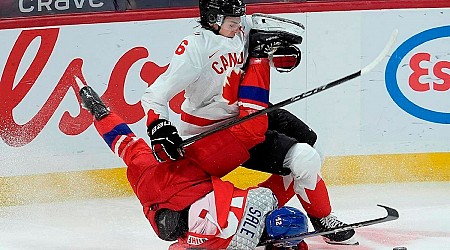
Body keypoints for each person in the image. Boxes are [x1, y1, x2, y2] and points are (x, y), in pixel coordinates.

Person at [141, 0, 357, 247]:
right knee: (305, 158)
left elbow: (277, 53)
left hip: (248, 116)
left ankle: (301, 214)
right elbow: (154, 95)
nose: (238, 24)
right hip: (212, 133)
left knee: (310, 152)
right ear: (212, 18)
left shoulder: (245, 26)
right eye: (232, 21)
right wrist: (158, 127)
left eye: (238, 18)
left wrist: (284, 56)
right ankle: (275, 215)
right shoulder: (195, 47)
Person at [77, 83, 309, 249]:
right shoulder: (232, 243)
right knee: (130, 148)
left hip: (186, 180)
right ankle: (102, 115)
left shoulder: (265, 200)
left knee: (129, 146)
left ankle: (101, 114)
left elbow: (273, 191)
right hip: (161, 208)